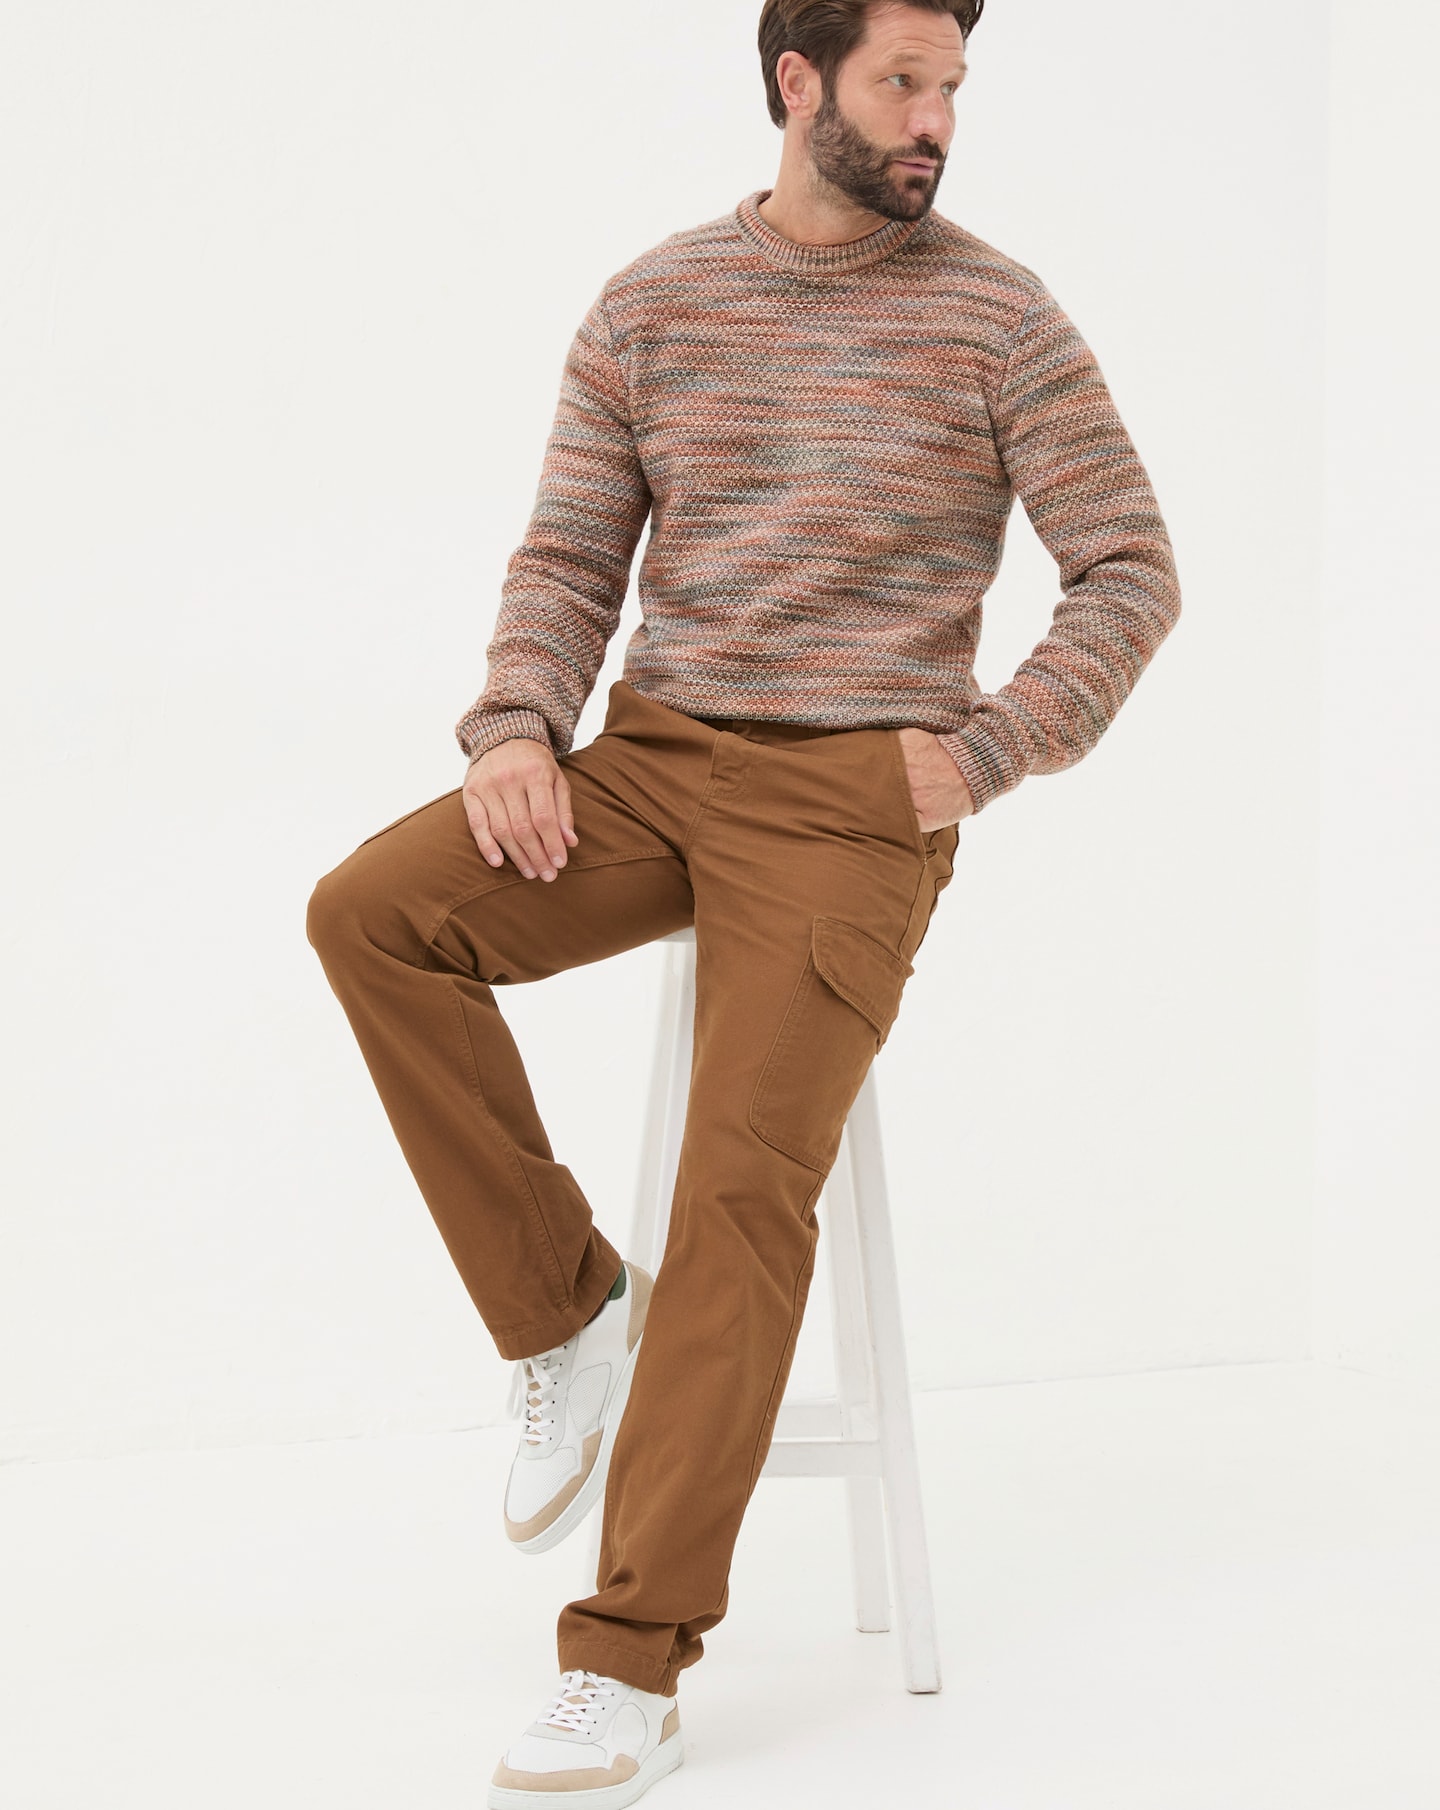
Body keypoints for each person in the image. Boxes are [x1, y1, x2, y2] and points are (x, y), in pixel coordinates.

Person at [305, 1, 1182, 1802]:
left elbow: (1129, 565)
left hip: (854, 805)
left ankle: (627, 1664)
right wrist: (517, 725)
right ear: (799, 83)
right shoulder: (654, 303)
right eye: (902, 82)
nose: (937, 119)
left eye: (952, 87)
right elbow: (570, 556)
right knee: (371, 912)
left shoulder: (998, 315)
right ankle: (567, 1311)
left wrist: (991, 750)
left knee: (739, 1187)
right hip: (653, 762)